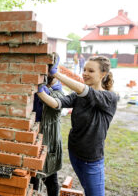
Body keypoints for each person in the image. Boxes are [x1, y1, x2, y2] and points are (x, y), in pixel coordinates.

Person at [38, 55, 117, 196]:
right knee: (87, 189)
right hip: (75, 154)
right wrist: (39, 90)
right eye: (85, 69)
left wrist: (56, 73)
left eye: (91, 71)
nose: (85, 73)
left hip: (92, 160)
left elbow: (86, 92)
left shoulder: (109, 98)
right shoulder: (78, 95)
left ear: (103, 74)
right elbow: (57, 104)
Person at [31, 55, 64, 196]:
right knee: (33, 179)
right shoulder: (34, 85)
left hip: (48, 140)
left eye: (49, 66)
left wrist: (39, 88)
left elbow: (54, 103)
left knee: (51, 179)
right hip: (32, 137)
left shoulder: (57, 89)